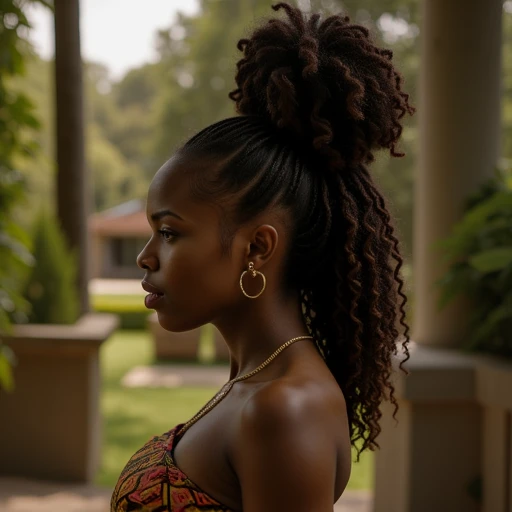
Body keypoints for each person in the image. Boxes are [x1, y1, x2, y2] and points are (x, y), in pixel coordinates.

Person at [111, 2, 414, 511]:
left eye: (168, 232)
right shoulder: (253, 381)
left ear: (256, 247)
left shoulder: (286, 408)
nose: (145, 257)